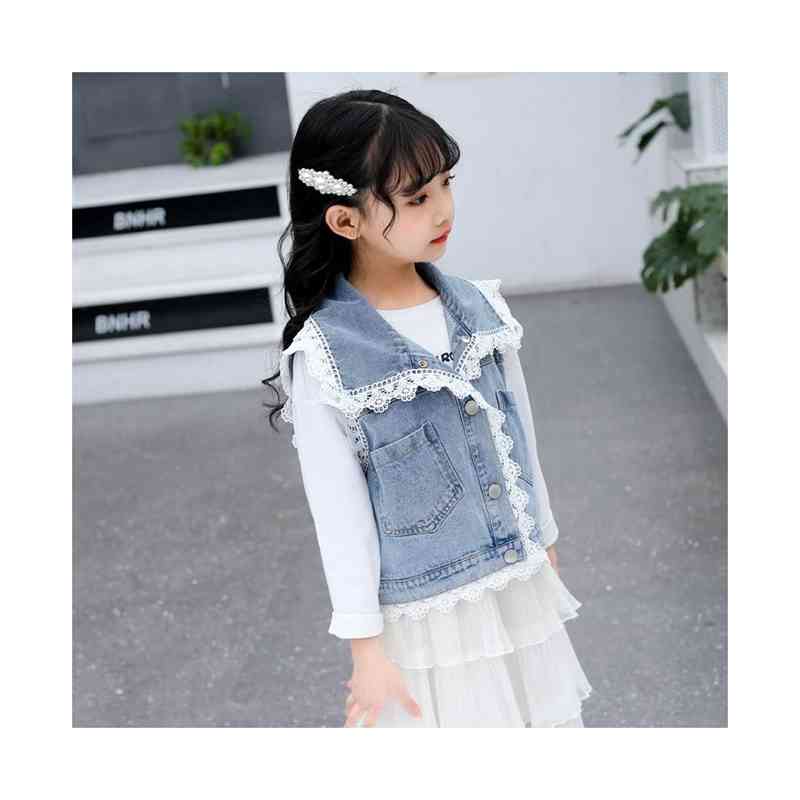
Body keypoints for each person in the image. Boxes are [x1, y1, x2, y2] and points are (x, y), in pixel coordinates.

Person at [262, 88, 593, 727]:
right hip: (427, 622)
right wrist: (365, 650)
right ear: (345, 221)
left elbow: (520, 436)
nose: (443, 209)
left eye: (446, 183)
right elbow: (339, 513)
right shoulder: (327, 357)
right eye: (417, 198)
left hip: (516, 585)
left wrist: (544, 538)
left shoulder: (482, 310)